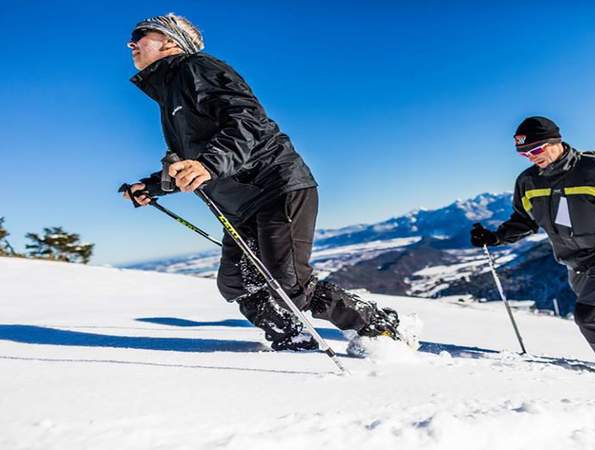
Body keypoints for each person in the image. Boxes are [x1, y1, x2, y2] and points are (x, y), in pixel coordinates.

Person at [121, 13, 400, 351]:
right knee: (236, 284)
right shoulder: (171, 96)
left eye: (141, 35)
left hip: (275, 186)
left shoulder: (197, 67)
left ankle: (376, 326)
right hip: (241, 206)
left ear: (171, 41)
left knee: (290, 285)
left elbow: (246, 120)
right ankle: (293, 338)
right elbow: (189, 165)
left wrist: (209, 163)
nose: (131, 43)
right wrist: (151, 187)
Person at [471, 116, 595, 377]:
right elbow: (525, 221)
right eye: (523, 153)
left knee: (590, 315)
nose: (530, 157)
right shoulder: (527, 181)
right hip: (574, 261)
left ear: (556, 142)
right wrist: (495, 237)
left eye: (536, 149)